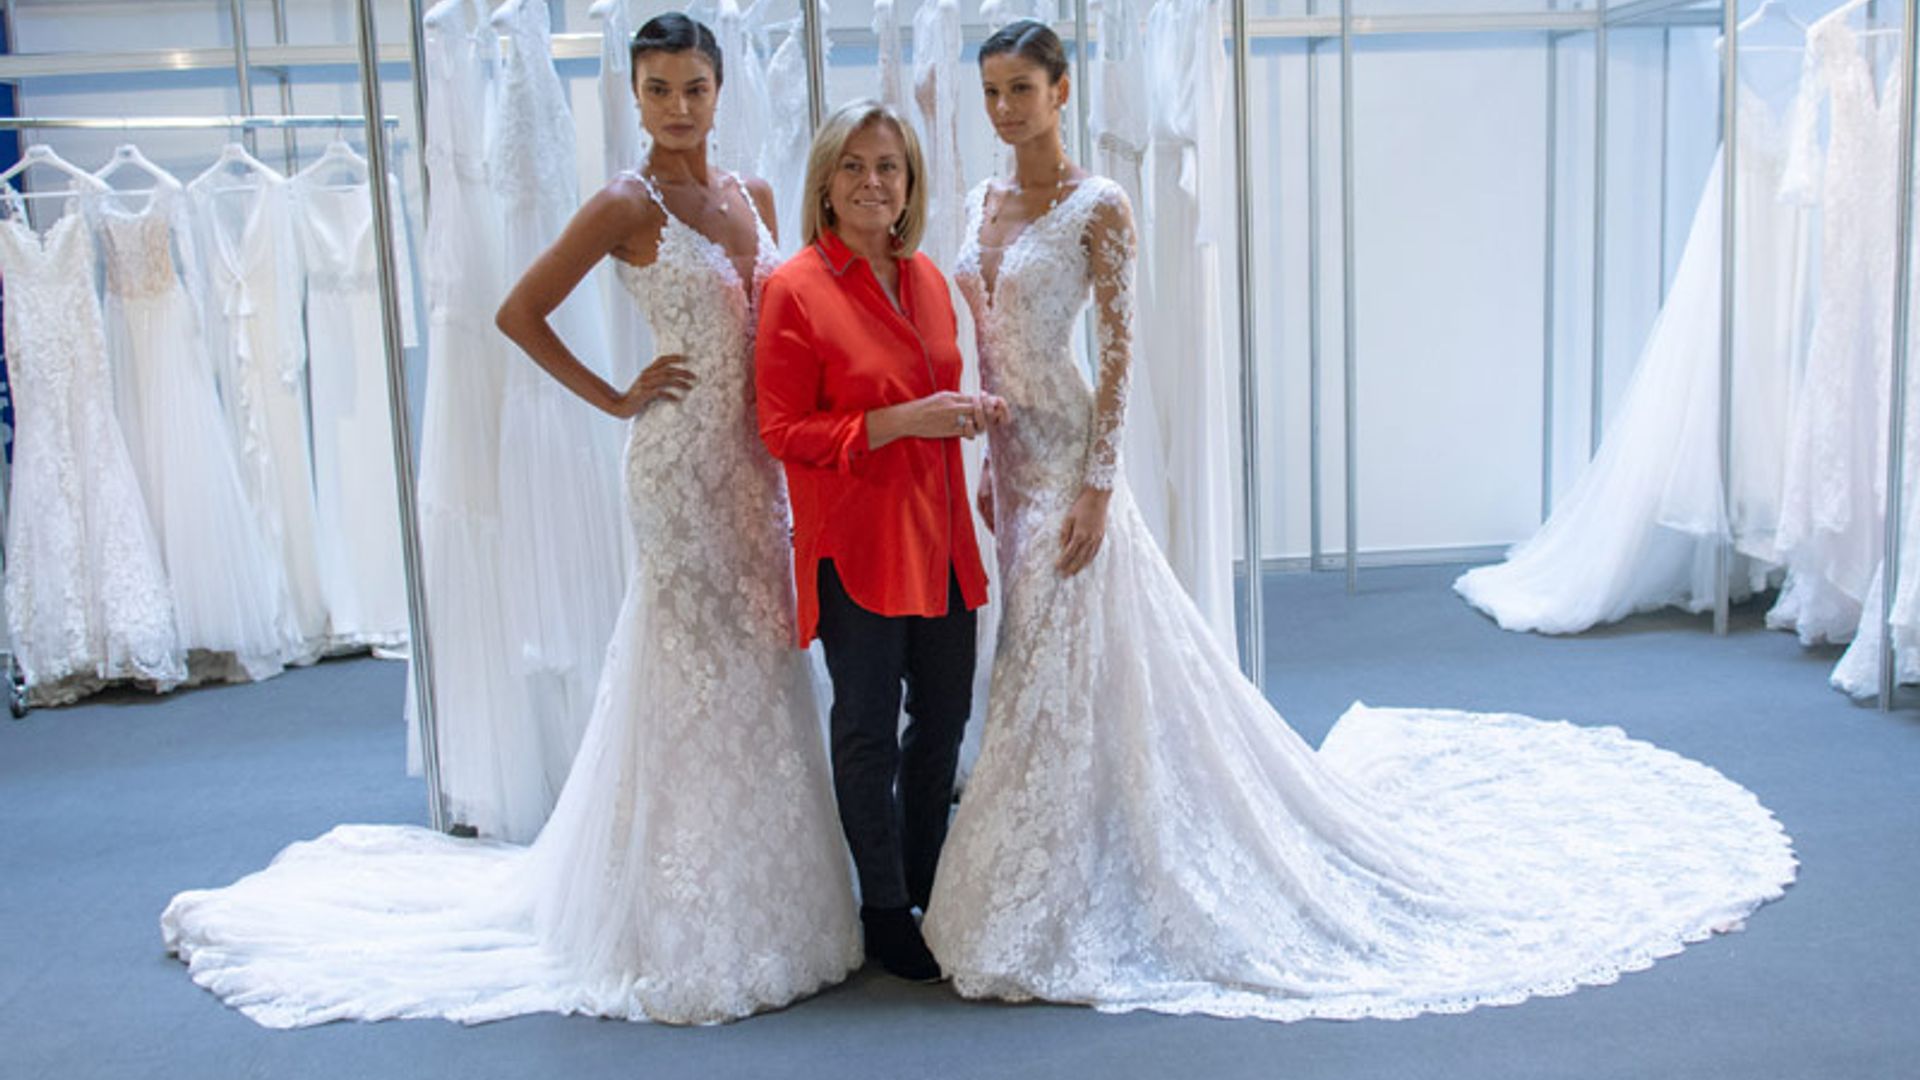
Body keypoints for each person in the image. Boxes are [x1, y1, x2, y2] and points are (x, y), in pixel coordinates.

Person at [920, 19, 1797, 1022]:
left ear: (1062, 92)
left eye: (1021, 90)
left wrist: (1098, 485)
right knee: (1033, 656)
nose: (1003, 111)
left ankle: (1086, 855)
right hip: (1010, 461)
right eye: (991, 92)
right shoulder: (984, 201)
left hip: (1070, 458)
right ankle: (1080, 833)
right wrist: (991, 466)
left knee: (1059, 651)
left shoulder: (1099, 206)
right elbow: (983, 350)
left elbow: (1119, 355)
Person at [160, 15, 859, 1026]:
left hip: (757, 470)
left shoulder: (752, 195)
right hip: (675, 470)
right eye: (657, 89)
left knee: (761, 657)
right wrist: (617, 394)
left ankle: (783, 893)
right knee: (690, 665)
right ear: (632, 96)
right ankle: (675, 901)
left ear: (720, 90)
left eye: (693, 88)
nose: (676, 107)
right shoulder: (626, 200)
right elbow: (519, 311)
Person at [755, 98, 1003, 983]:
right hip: (857, 541)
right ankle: (883, 908)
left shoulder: (930, 278)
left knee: (942, 720)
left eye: (888, 167)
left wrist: (967, 415)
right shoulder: (794, 288)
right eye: (854, 166)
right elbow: (783, 431)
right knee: (865, 729)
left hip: (940, 538)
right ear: (825, 182)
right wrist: (899, 420)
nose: (872, 182)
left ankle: (929, 879)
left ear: (910, 184)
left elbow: (936, 392)